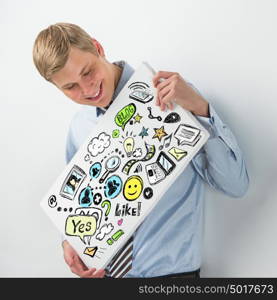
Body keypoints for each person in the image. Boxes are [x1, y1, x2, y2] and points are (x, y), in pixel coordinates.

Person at [33, 23, 249, 278]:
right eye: (70, 87)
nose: (88, 90)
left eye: (88, 71)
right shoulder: (80, 127)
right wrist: (70, 240)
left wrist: (201, 109)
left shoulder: (173, 98)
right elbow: (78, 202)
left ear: (97, 47)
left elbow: (236, 186)